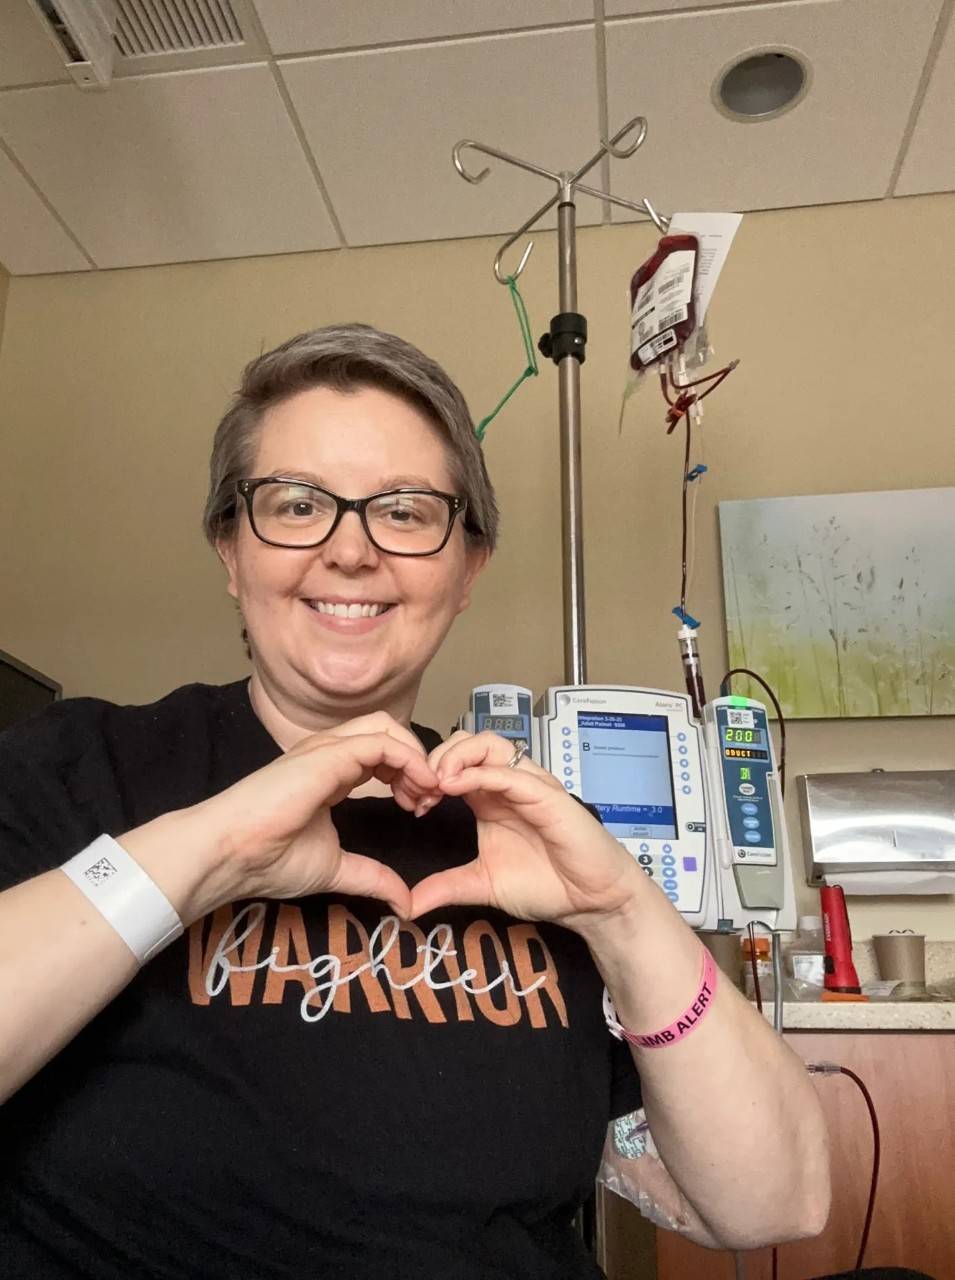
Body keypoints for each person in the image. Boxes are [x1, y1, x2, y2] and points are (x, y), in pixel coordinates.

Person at [0, 324, 829, 1279]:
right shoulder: (76, 769)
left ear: (466, 569)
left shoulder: (528, 836)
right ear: (231, 552)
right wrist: (211, 850)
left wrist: (622, 913)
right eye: (297, 504)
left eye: (403, 511)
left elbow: (776, 1201)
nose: (350, 550)